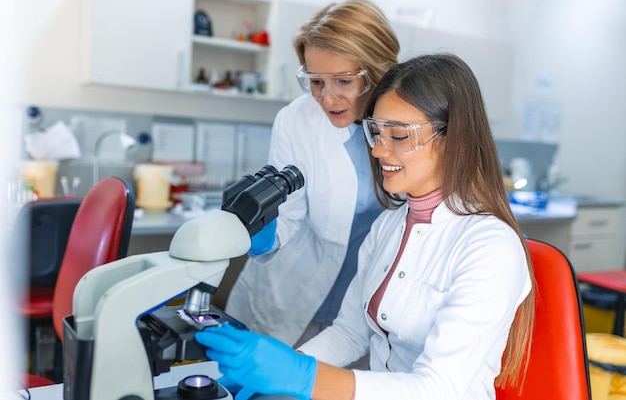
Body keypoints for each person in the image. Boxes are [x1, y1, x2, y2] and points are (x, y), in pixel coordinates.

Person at [196, 53, 536, 400]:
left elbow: (441, 388)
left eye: (399, 136)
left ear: (453, 139)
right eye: (375, 132)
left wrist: (302, 377)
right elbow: (350, 333)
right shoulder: (388, 226)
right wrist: (278, 368)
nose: (378, 151)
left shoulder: (490, 247)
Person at [224, 0, 400, 347]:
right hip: (290, 298)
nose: (327, 98)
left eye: (343, 82)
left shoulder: (406, 124)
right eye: (316, 81)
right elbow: (287, 216)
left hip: (362, 308)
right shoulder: (297, 120)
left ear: (377, 72)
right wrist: (262, 233)